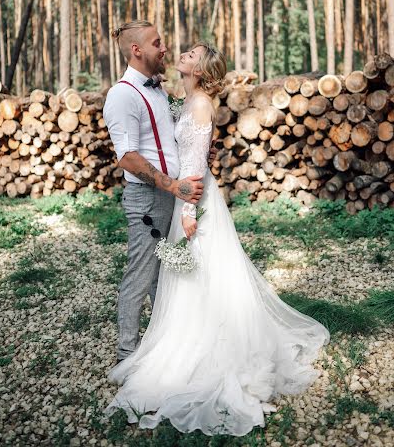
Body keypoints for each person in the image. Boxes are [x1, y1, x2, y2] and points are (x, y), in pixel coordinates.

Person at [105, 41, 330, 436]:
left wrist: (189, 211)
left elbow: (193, 162)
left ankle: (204, 345)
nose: (182, 55)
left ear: (202, 69)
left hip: (192, 198)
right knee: (192, 274)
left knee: (199, 273)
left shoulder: (200, 105)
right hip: (188, 194)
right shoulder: (188, 98)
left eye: (191, 55)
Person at [103, 21, 216, 363]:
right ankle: (127, 352)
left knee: (166, 271)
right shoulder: (122, 94)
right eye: (157, 43)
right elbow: (127, 157)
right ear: (137, 50)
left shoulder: (158, 90)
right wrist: (173, 185)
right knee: (141, 271)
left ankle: (162, 341)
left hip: (171, 195)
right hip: (150, 198)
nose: (165, 48)